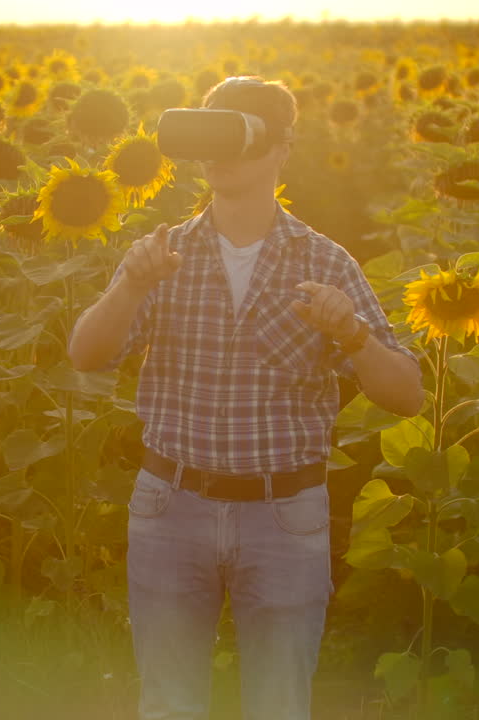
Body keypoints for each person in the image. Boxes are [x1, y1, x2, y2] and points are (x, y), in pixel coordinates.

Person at [67, 76, 424, 720]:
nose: (222, 153)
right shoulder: (163, 254)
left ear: (281, 148)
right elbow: (87, 355)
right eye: (212, 135)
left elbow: (406, 395)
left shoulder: (325, 262)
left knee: (279, 707)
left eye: (241, 135)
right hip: (170, 506)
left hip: (283, 514)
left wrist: (351, 333)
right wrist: (127, 286)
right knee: (170, 705)